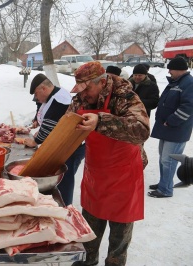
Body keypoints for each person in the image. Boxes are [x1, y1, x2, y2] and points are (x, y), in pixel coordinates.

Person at [68, 61, 150, 266]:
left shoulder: (125, 97)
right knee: (88, 232)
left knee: (118, 240)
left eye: (87, 88)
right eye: (80, 90)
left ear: (102, 81)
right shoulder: (81, 99)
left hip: (124, 175)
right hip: (96, 174)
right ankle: (86, 262)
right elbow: (66, 124)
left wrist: (101, 122)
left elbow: (142, 130)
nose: (83, 94)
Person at [24, 73, 85, 206]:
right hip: (62, 144)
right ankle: (57, 204)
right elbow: (41, 108)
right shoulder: (51, 95)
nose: (36, 98)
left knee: (64, 178)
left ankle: (65, 209)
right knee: (59, 177)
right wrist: (36, 120)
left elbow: (50, 125)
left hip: (71, 146)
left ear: (44, 89)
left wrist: (35, 141)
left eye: (36, 93)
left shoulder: (60, 99)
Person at [148, 57, 193, 197]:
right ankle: (163, 183)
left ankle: (166, 189)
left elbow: (188, 107)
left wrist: (171, 121)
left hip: (176, 130)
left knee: (169, 160)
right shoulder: (176, 82)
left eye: (171, 69)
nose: (169, 71)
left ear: (179, 69)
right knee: (163, 158)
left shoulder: (188, 83)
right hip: (166, 128)